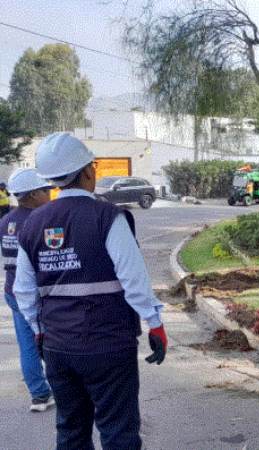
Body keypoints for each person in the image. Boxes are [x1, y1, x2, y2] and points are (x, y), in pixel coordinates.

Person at [14, 132, 167, 450]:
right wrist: (155, 324)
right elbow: (134, 280)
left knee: (71, 432)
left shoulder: (32, 223)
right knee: (119, 432)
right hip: (108, 345)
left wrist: (39, 332)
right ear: (86, 171)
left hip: (58, 347)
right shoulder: (108, 216)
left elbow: (24, 291)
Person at [1, 169, 55, 412]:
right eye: (46, 190)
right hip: (37, 293)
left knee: (27, 344)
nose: (50, 194)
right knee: (51, 341)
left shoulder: (5, 221)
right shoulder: (40, 220)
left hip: (13, 291)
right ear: (33, 194)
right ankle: (65, 388)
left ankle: (39, 395)